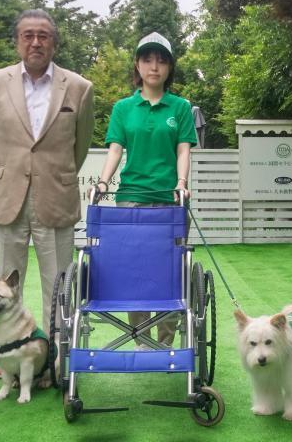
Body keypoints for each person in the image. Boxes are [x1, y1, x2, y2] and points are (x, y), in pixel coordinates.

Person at [0, 9, 94, 378]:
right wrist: (14, 167)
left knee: (57, 284)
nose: (36, 42)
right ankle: (7, 356)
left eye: (43, 35)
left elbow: (81, 145)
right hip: (7, 193)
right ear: (17, 41)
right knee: (2, 286)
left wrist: (51, 173)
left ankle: (54, 360)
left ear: (54, 42)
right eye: (28, 35)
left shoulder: (79, 87)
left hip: (55, 196)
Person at [96, 32, 197, 349]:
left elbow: (183, 150)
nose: (154, 66)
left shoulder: (180, 107)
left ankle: (165, 342)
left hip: (169, 201)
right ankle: (141, 338)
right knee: (134, 270)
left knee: (168, 271)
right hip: (131, 198)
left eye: (161, 60)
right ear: (137, 66)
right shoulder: (124, 108)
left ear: (169, 68)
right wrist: (102, 182)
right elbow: (115, 149)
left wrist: (181, 183)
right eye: (147, 59)